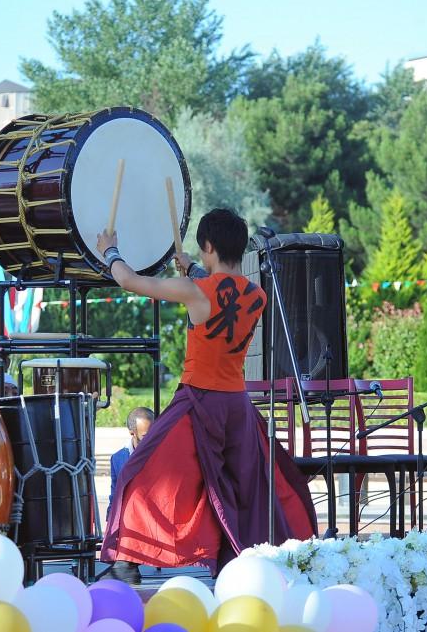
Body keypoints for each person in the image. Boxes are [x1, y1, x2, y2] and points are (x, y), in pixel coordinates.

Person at [97, 208, 317, 584]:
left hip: (198, 400)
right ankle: (243, 564)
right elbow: (225, 295)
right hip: (236, 406)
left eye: (201, 252)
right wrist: (196, 272)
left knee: (140, 472)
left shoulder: (193, 291)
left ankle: (129, 555)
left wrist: (110, 252)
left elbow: (130, 281)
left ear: (209, 247)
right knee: (240, 487)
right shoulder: (259, 295)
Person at [108, 407, 155, 517]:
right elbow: (115, 495)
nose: (151, 438)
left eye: (153, 433)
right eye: (145, 435)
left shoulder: (161, 453)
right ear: (132, 432)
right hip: (131, 520)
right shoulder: (118, 459)